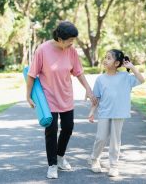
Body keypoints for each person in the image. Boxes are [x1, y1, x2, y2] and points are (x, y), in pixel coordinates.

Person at [26, 21, 96, 179]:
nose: (72, 43)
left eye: (73, 40)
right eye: (70, 40)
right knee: (51, 131)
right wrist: (28, 95)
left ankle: (60, 156)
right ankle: (52, 165)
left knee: (68, 127)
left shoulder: (71, 51)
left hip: (66, 96)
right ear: (59, 38)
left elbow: (78, 71)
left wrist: (88, 88)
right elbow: (32, 74)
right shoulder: (42, 50)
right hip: (48, 98)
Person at [88, 49, 144, 177]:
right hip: (104, 113)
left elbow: (141, 80)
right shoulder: (100, 79)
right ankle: (94, 159)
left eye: (109, 58)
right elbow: (96, 98)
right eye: (105, 57)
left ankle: (113, 165)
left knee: (115, 140)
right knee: (101, 138)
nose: (105, 60)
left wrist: (132, 67)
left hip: (119, 113)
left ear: (117, 63)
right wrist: (92, 112)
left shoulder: (125, 77)